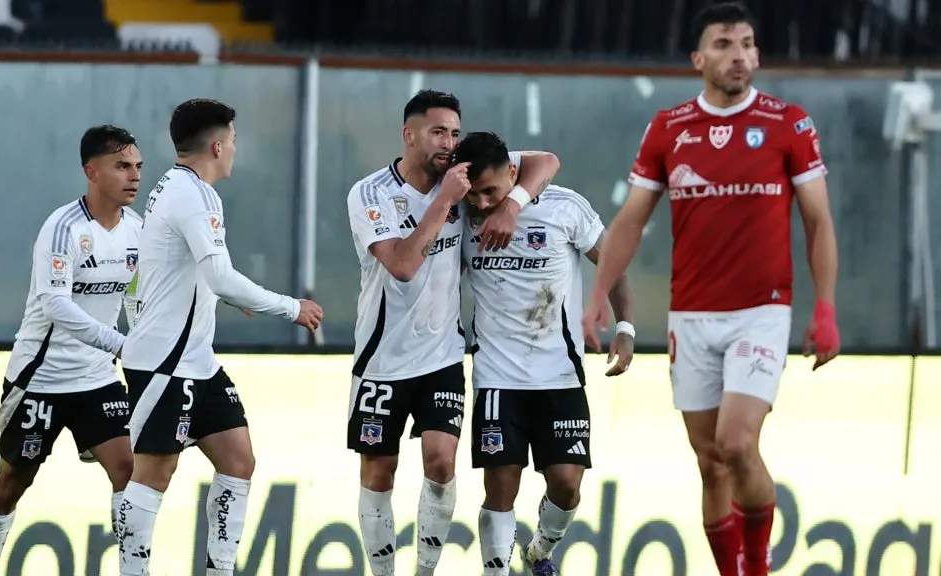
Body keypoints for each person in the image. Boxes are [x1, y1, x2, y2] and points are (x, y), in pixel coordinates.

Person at [581, 4, 841, 576]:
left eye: (747, 43)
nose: (740, 54)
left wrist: (824, 309)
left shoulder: (787, 122)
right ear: (700, 59)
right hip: (692, 316)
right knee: (710, 462)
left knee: (737, 444)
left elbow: (818, 220)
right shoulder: (669, 127)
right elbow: (630, 220)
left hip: (762, 311)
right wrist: (598, 292)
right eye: (725, 44)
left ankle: (756, 565)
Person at [345, 89, 560, 576]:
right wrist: (443, 202)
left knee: (442, 464)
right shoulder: (371, 193)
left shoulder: (461, 175)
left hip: (442, 354)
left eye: (454, 133)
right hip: (381, 357)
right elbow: (401, 264)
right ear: (409, 134)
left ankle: (425, 570)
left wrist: (512, 205)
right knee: (379, 471)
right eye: (438, 131)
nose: (448, 142)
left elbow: (546, 160)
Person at [117, 98, 323, 576]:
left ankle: (220, 569)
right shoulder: (194, 195)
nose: (235, 149)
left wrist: (232, 296)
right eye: (232, 140)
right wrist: (291, 307)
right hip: (166, 363)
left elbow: (192, 273)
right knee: (153, 474)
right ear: (216, 145)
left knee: (238, 458)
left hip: (197, 362)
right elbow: (220, 276)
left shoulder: (176, 187)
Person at [452, 131, 635, 576]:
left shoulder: (563, 207)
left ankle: (539, 551)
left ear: (513, 175)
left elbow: (611, 262)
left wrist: (625, 327)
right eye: (472, 194)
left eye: (490, 191)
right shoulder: (457, 214)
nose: (480, 203)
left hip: (560, 373)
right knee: (500, 486)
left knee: (567, 486)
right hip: (497, 377)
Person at [0, 125, 144, 575]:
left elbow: (136, 297)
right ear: (91, 171)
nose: (134, 176)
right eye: (122, 166)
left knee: (129, 470)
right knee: (12, 483)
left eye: (138, 167)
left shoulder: (138, 232)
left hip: (98, 379)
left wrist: (142, 338)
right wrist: (122, 344)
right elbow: (55, 304)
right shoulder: (63, 227)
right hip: (40, 380)